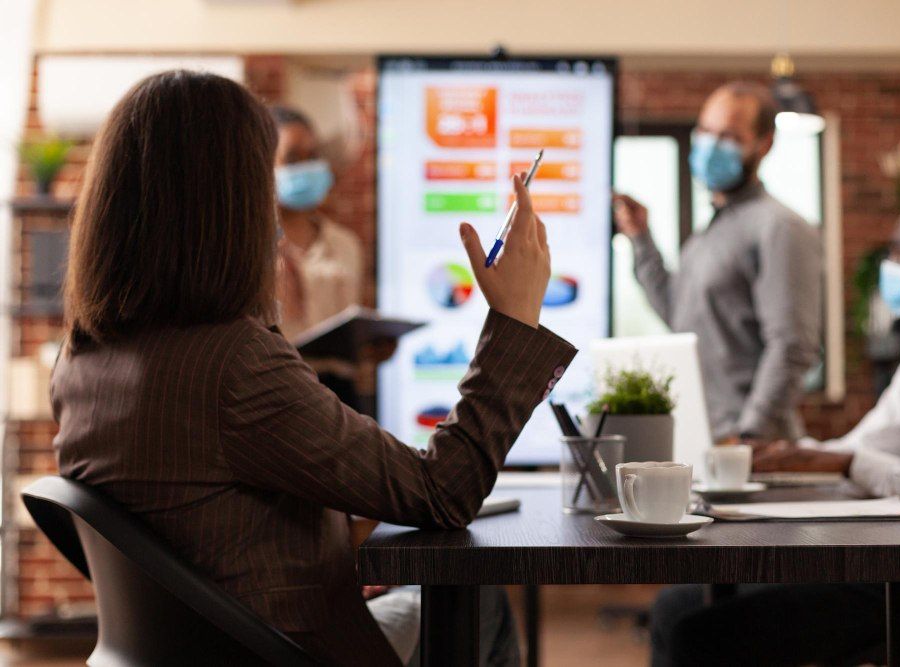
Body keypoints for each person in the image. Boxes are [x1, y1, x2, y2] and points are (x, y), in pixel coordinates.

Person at [52, 70, 575, 667]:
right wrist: (515, 320)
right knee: (478, 602)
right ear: (228, 206)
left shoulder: (81, 360)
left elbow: (212, 523)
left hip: (206, 643)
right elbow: (444, 492)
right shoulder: (232, 363)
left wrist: (334, 567)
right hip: (282, 651)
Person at [650, 188, 900, 666]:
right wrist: (788, 454)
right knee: (677, 607)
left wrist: (849, 462)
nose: (891, 267)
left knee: (702, 635)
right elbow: (865, 444)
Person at [614, 82, 822, 443]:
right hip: (705, 439)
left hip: (752, 450)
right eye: (706, 132)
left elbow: (791, 345)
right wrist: (641, 238)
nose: (711, 146)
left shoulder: (779, 227)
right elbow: (678, 315)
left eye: (729, 136)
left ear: (764, 144)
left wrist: (748, 435)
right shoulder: (708, 233)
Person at [269, 104, 382, 411]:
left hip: (340, 396)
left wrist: (369, 347)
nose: (307, 167)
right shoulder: (253, 248)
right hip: (276, 395)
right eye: (293, 158)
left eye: (312, 156)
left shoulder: (345, 244)